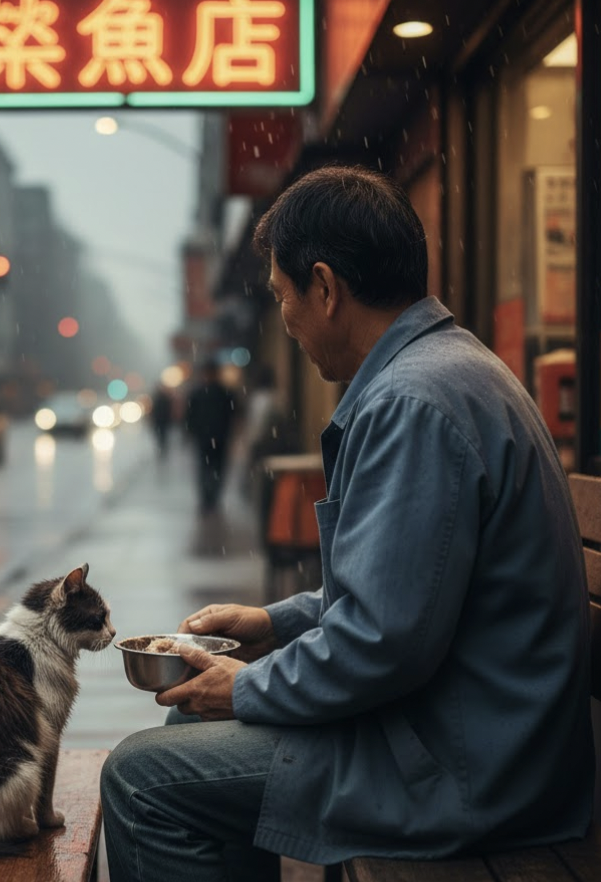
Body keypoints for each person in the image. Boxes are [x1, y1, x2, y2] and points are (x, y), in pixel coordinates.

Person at [100, 165, 593, 882]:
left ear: (326, 288)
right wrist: (272, 623)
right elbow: (405, 592)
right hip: (483, 734)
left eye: (282, 299)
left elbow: (382, 643)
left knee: (143, 781)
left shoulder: (412, 403)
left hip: (466, 769)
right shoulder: (445, 368)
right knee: (189, 726)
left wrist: (242, 685)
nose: (287, 325)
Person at [184, 359, 238, 512]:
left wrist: (190, 432)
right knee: (216, 468)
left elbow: (189, 417)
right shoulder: (225, 392)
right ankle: (212, 497)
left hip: (206, 438)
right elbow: (234, 415)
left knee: (206, 468)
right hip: (218, 437)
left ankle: (208, 498)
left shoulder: (198, 393)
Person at [149, 383, 174, 457]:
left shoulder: (160, 399)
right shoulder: (162, 399)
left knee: (161, 436)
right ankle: (162, 449)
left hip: (161, 421)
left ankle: (162, 449)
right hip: (161, 421)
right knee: (162, 437)